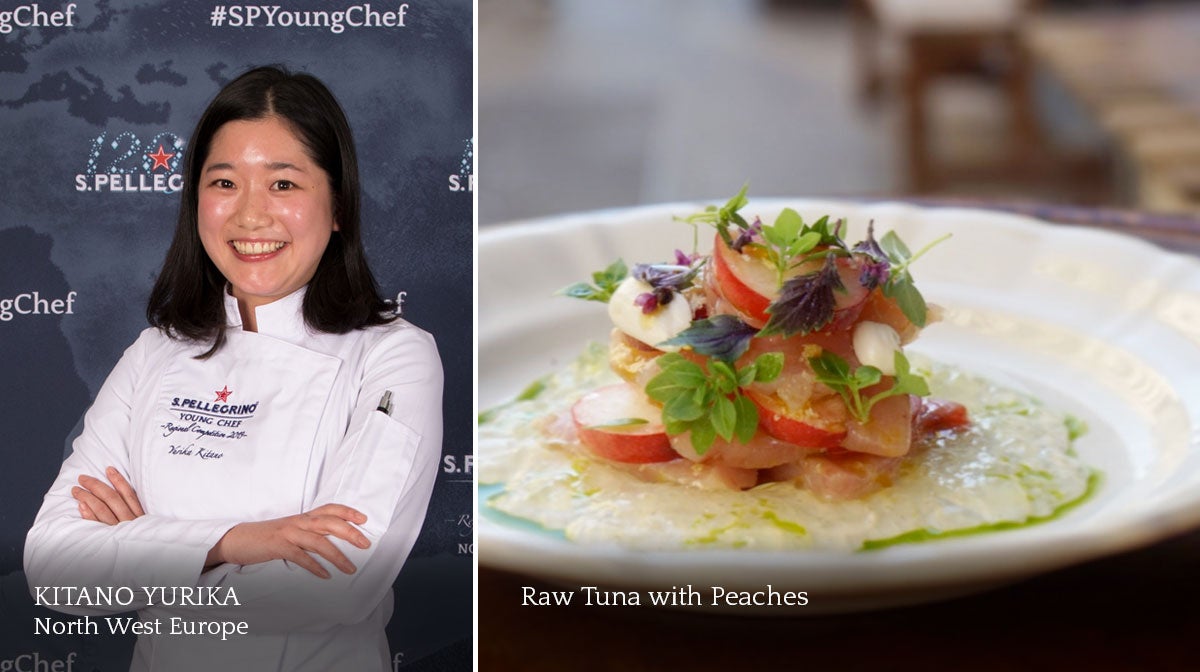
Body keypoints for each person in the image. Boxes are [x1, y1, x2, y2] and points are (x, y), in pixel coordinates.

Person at [24, 66, 443, 672]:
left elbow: (337, 581)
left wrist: (146, 549)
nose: (249, 217)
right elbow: (55, 574)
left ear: (338, 208)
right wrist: (236, 542)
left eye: (283, 185)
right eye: (224, 182)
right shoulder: (154, 353)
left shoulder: (393, 355)